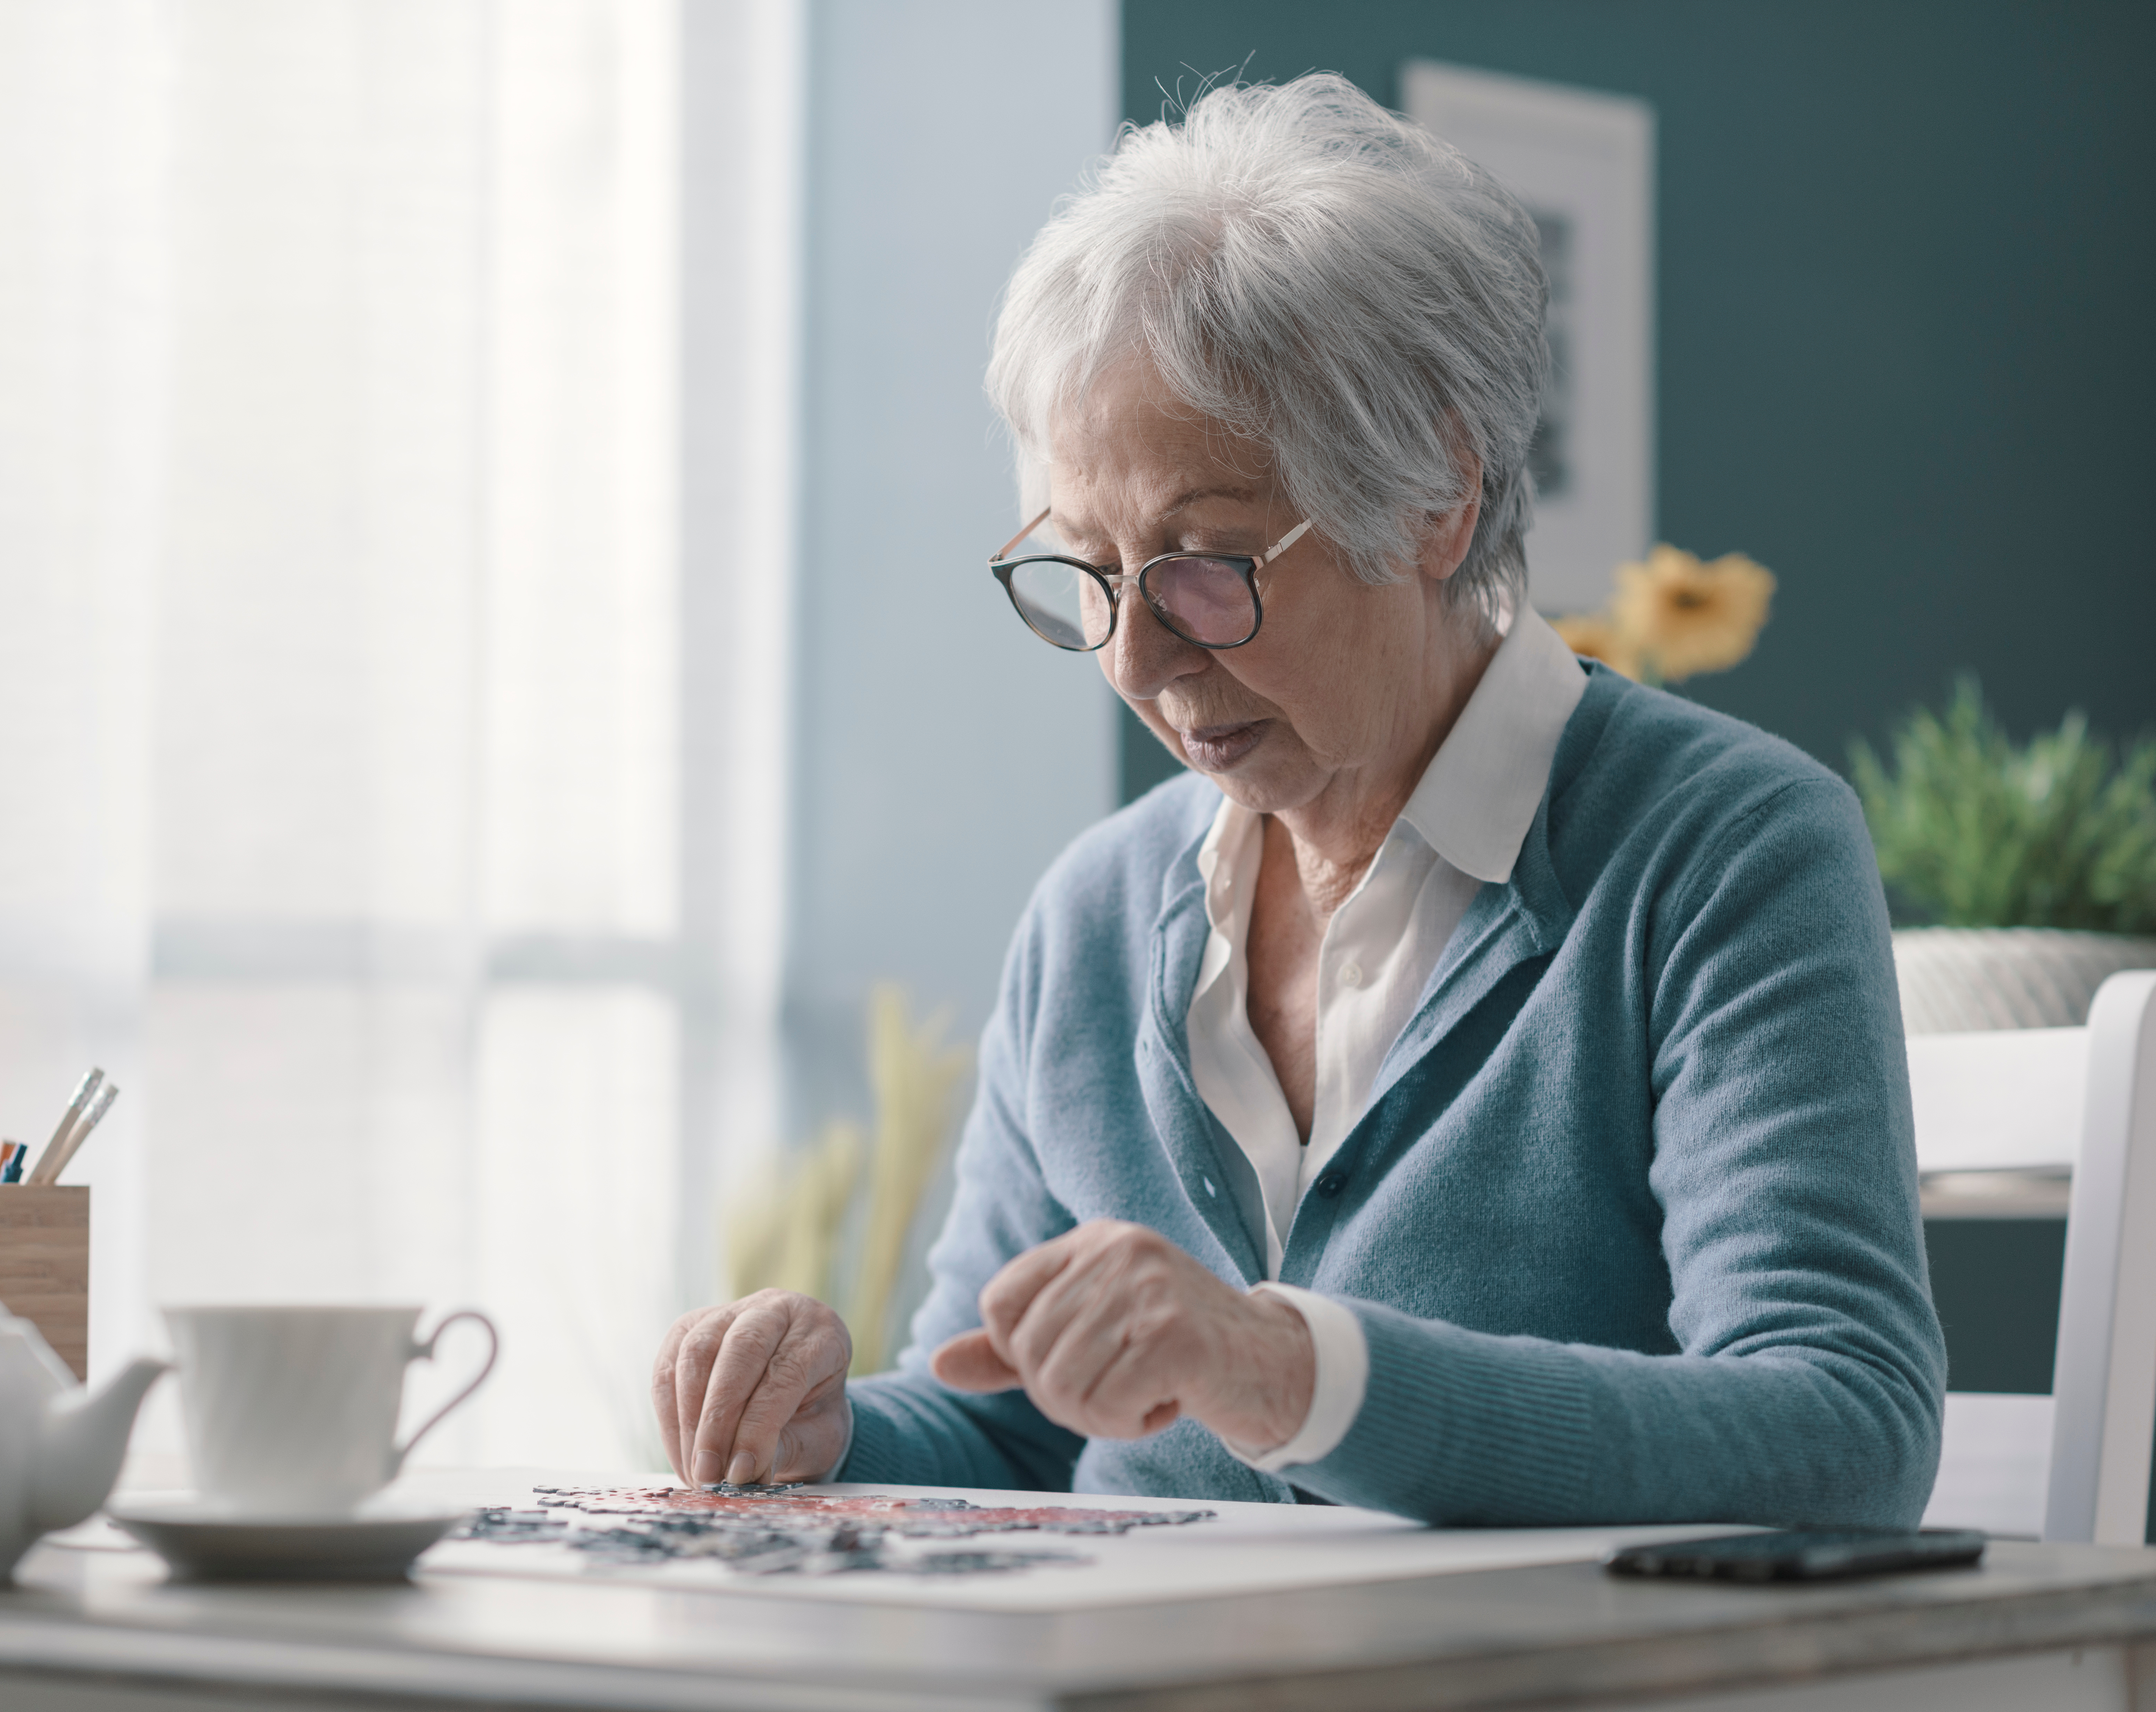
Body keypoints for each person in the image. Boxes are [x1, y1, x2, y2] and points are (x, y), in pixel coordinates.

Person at [652, 74, 1943, 1525]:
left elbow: (1843, 1428)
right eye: (1084, 572)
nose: (1135, 658)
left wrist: (1293, 1372)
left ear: (1435, 497)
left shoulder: (1723, 853)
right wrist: (824, 1427)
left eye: (1206, 565)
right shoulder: (1093, 915)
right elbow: (1003, 1430)